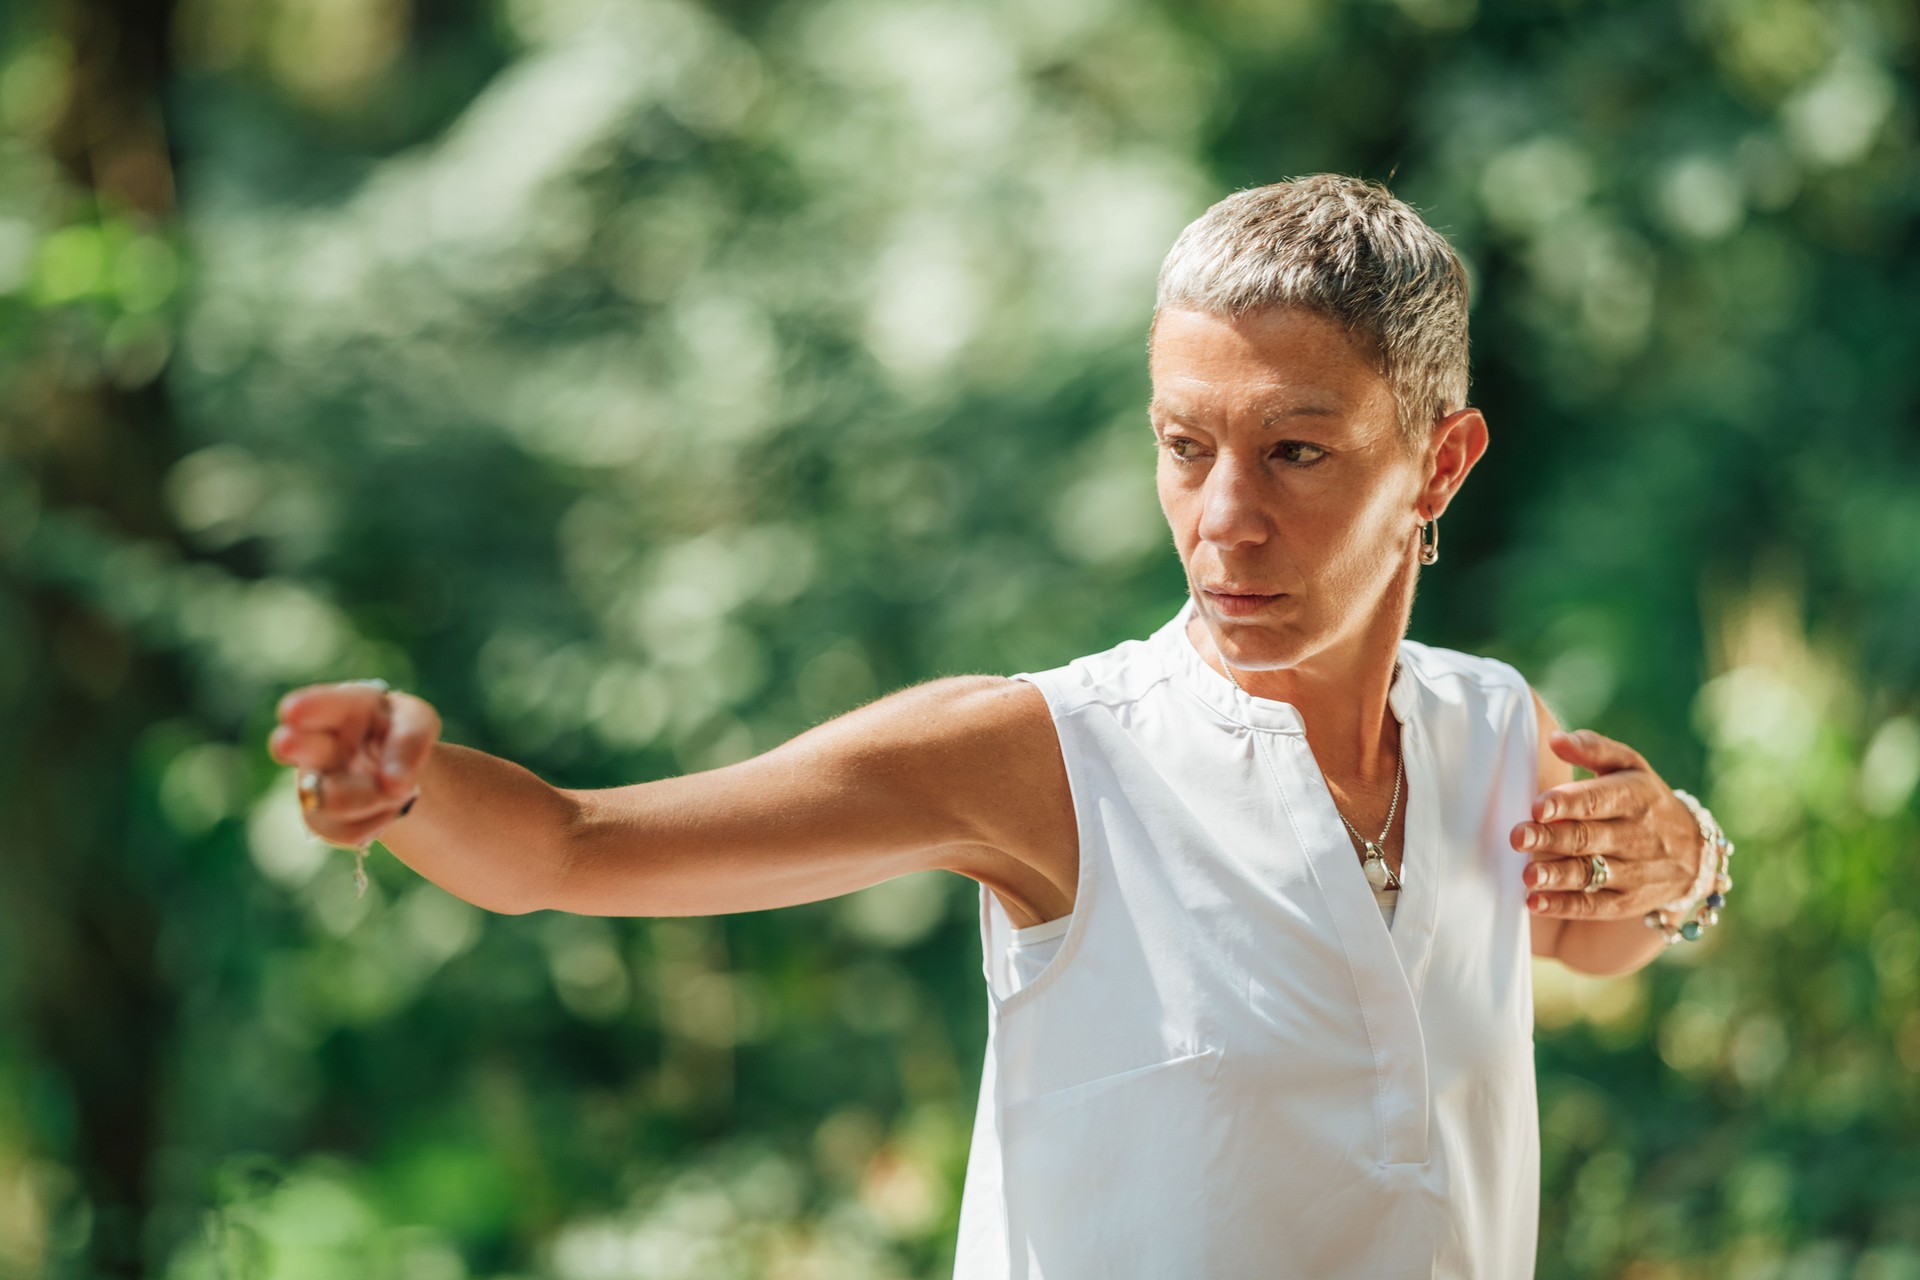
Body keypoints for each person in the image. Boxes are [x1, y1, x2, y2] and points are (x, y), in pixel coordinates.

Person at [267, 174, 1733, 1279]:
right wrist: (409, 783)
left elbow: (1589, 927)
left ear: (1441, 465)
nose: (1226, 520)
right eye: (1184, 446)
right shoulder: (1047, 760)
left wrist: (1685, 859)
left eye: (1295, 451)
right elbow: (576, 849)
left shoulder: (1485, 724)